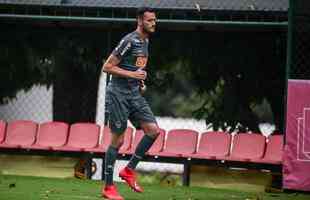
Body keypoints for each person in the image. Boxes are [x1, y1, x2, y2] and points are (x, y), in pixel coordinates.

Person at [101, 7, 159, 200]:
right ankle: (108, 187)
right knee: (118, 140)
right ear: (140, 21)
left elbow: (136, 67)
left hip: (134, 94)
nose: (153, 23)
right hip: (118, 94)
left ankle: (128, 170)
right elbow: (107, 67)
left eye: (154, 20)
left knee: (153, 131)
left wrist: (140, 81)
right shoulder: (129, 40)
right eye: (149, 20)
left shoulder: (146, 41)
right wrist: (132, 74)